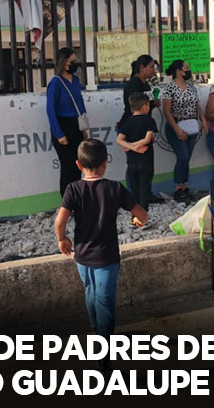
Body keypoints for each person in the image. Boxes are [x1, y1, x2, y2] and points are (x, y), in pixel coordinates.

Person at [54, 139, 148, 369]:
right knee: (105, 303)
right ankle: (104, 357)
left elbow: (60, 221)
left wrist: (62, 239)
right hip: (107, 258)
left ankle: (96, 329)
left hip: (83, 256)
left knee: (90, 292)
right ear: (106, 163)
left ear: (78, 164)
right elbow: (142, 215)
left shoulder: (73, 189)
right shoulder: (115, 188)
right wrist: (137, 220)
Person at [161, 60, 207, 203]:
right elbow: (167, 112)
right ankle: (178, 188)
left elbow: (196, 105)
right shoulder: (170, 88)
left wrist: (203, 120)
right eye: (186, 68)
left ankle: (185, 186)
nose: (189, 71)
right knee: (182, 156)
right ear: (179, 71)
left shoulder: (191, 87)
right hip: (177, 124)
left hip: (191, 125)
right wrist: (177, 129)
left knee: (187, 158)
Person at [120, 54, 163, 203]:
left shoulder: (146, 84)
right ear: (142, 67)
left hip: (144, 125)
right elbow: (134, 106)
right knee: (133, 164)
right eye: (151, 67)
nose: (153, 70)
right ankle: (133, 196)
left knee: (146, 164)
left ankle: (145, 194)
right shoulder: (133, 85)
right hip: (133, 127)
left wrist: (154, 103)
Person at [46, 47, 88, 196]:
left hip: (76, 125)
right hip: (62, 126)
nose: (74, 64)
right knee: (67, 166)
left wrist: (83, 128)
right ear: (63, 62)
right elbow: (50, 110)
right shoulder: (56, 82)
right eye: (71, 61)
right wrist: (59, 133)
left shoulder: (75, 80)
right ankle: (66, 201)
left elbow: (79, 103)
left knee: (78, 165)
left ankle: (76, 197)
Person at [116, 93, 158, 210]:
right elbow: (147, 139)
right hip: (146, 161)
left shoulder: (127, 122)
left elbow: (119, 140)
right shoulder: (149, 121)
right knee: (144, 188)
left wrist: (130, 146)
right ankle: (143, 215)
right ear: (144, 107)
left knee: (133, 189)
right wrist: (134, 146)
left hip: (131, 161)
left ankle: (134, 215)